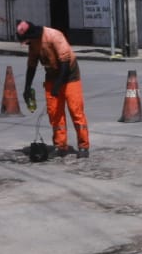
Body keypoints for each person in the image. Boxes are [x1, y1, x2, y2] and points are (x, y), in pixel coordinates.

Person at [16, 20, 89, 158]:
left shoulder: (54, 36)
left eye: (26, 40)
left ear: (32, 35)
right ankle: (60, 145)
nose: (26, 43)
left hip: (69, 75)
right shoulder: (33, 44)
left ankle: (83, 146)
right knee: (54, 111)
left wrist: (59, 84)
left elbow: (65, 63)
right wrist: (27, 87)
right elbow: (31, 66)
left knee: (76, 110)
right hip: (51, 75)